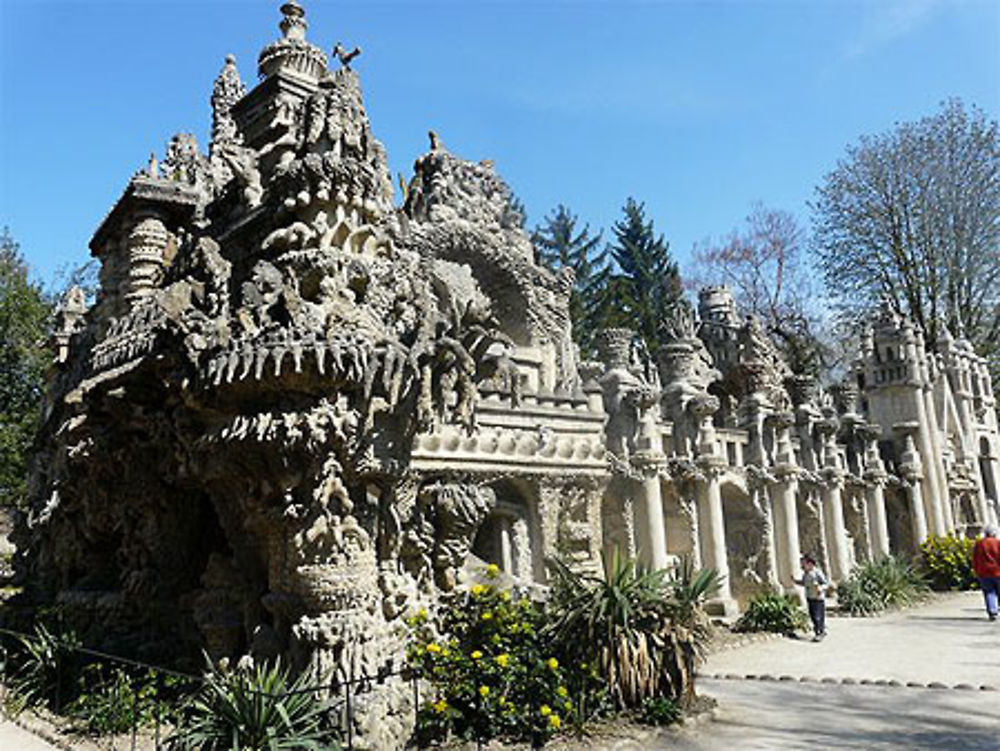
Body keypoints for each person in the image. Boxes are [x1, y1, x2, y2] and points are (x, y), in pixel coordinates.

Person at [795, 555, 828, 641]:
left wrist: (820, 588)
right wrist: (795, 581)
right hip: (810, 597)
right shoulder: (805, 574)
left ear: (810, 564)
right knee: (813, 616)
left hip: (818, 598)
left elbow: (825, 583)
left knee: (818, 616)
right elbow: (804, 583)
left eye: (804, 563)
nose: (802, 565)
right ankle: (819, 631)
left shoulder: (817, 572)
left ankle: (820, 632)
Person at [972, 524, 1000, 621]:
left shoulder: (979, 544)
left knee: (989, 592)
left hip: (983, 572)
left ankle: (993, 611)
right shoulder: (997, 543)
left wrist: (976, 570)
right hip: (997, 571)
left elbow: (975, 558)